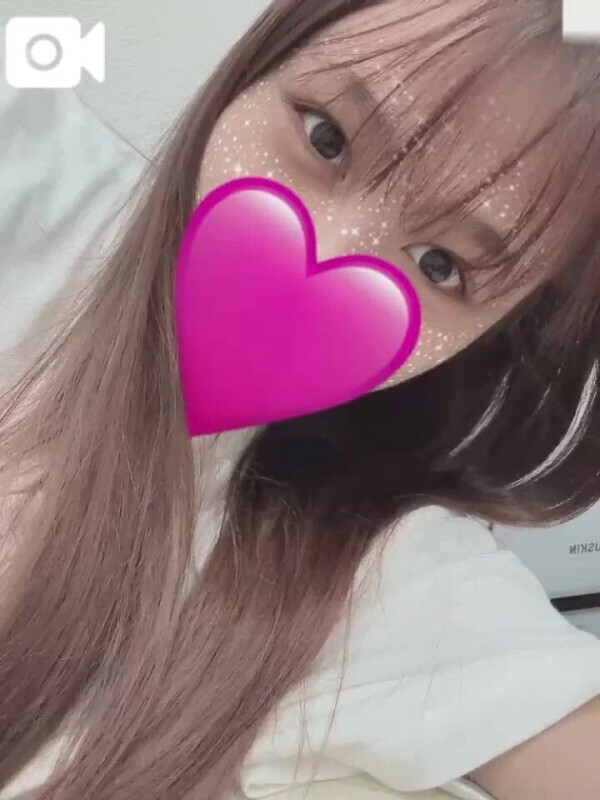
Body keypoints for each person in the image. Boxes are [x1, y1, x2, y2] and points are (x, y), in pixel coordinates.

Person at [0, 1, 599, 799]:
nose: (325, 257)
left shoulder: (379, 577)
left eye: (441, 266)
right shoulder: (31, 185)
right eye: (327, 138)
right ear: (264, 61)